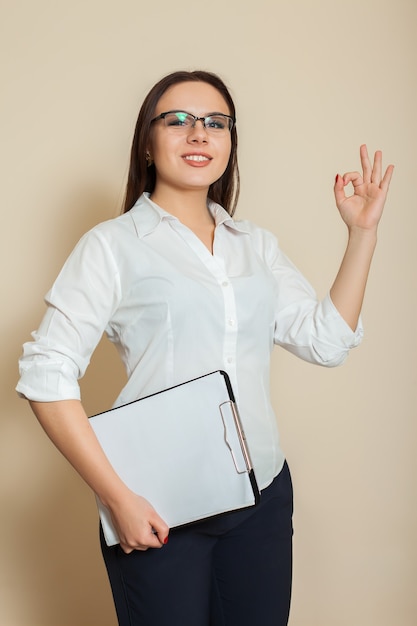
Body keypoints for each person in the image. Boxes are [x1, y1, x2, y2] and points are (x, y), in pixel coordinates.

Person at [16, 70, 394, 626]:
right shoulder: (112, 246)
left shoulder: (255, 245)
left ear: (229, 143)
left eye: (216, 123)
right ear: (148, 142)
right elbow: (46, 374)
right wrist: (119, 499)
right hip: (161, 507)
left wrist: (362, 234)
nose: (199, 134)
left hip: (261, 496)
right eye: (177, 121)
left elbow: (325, 341)